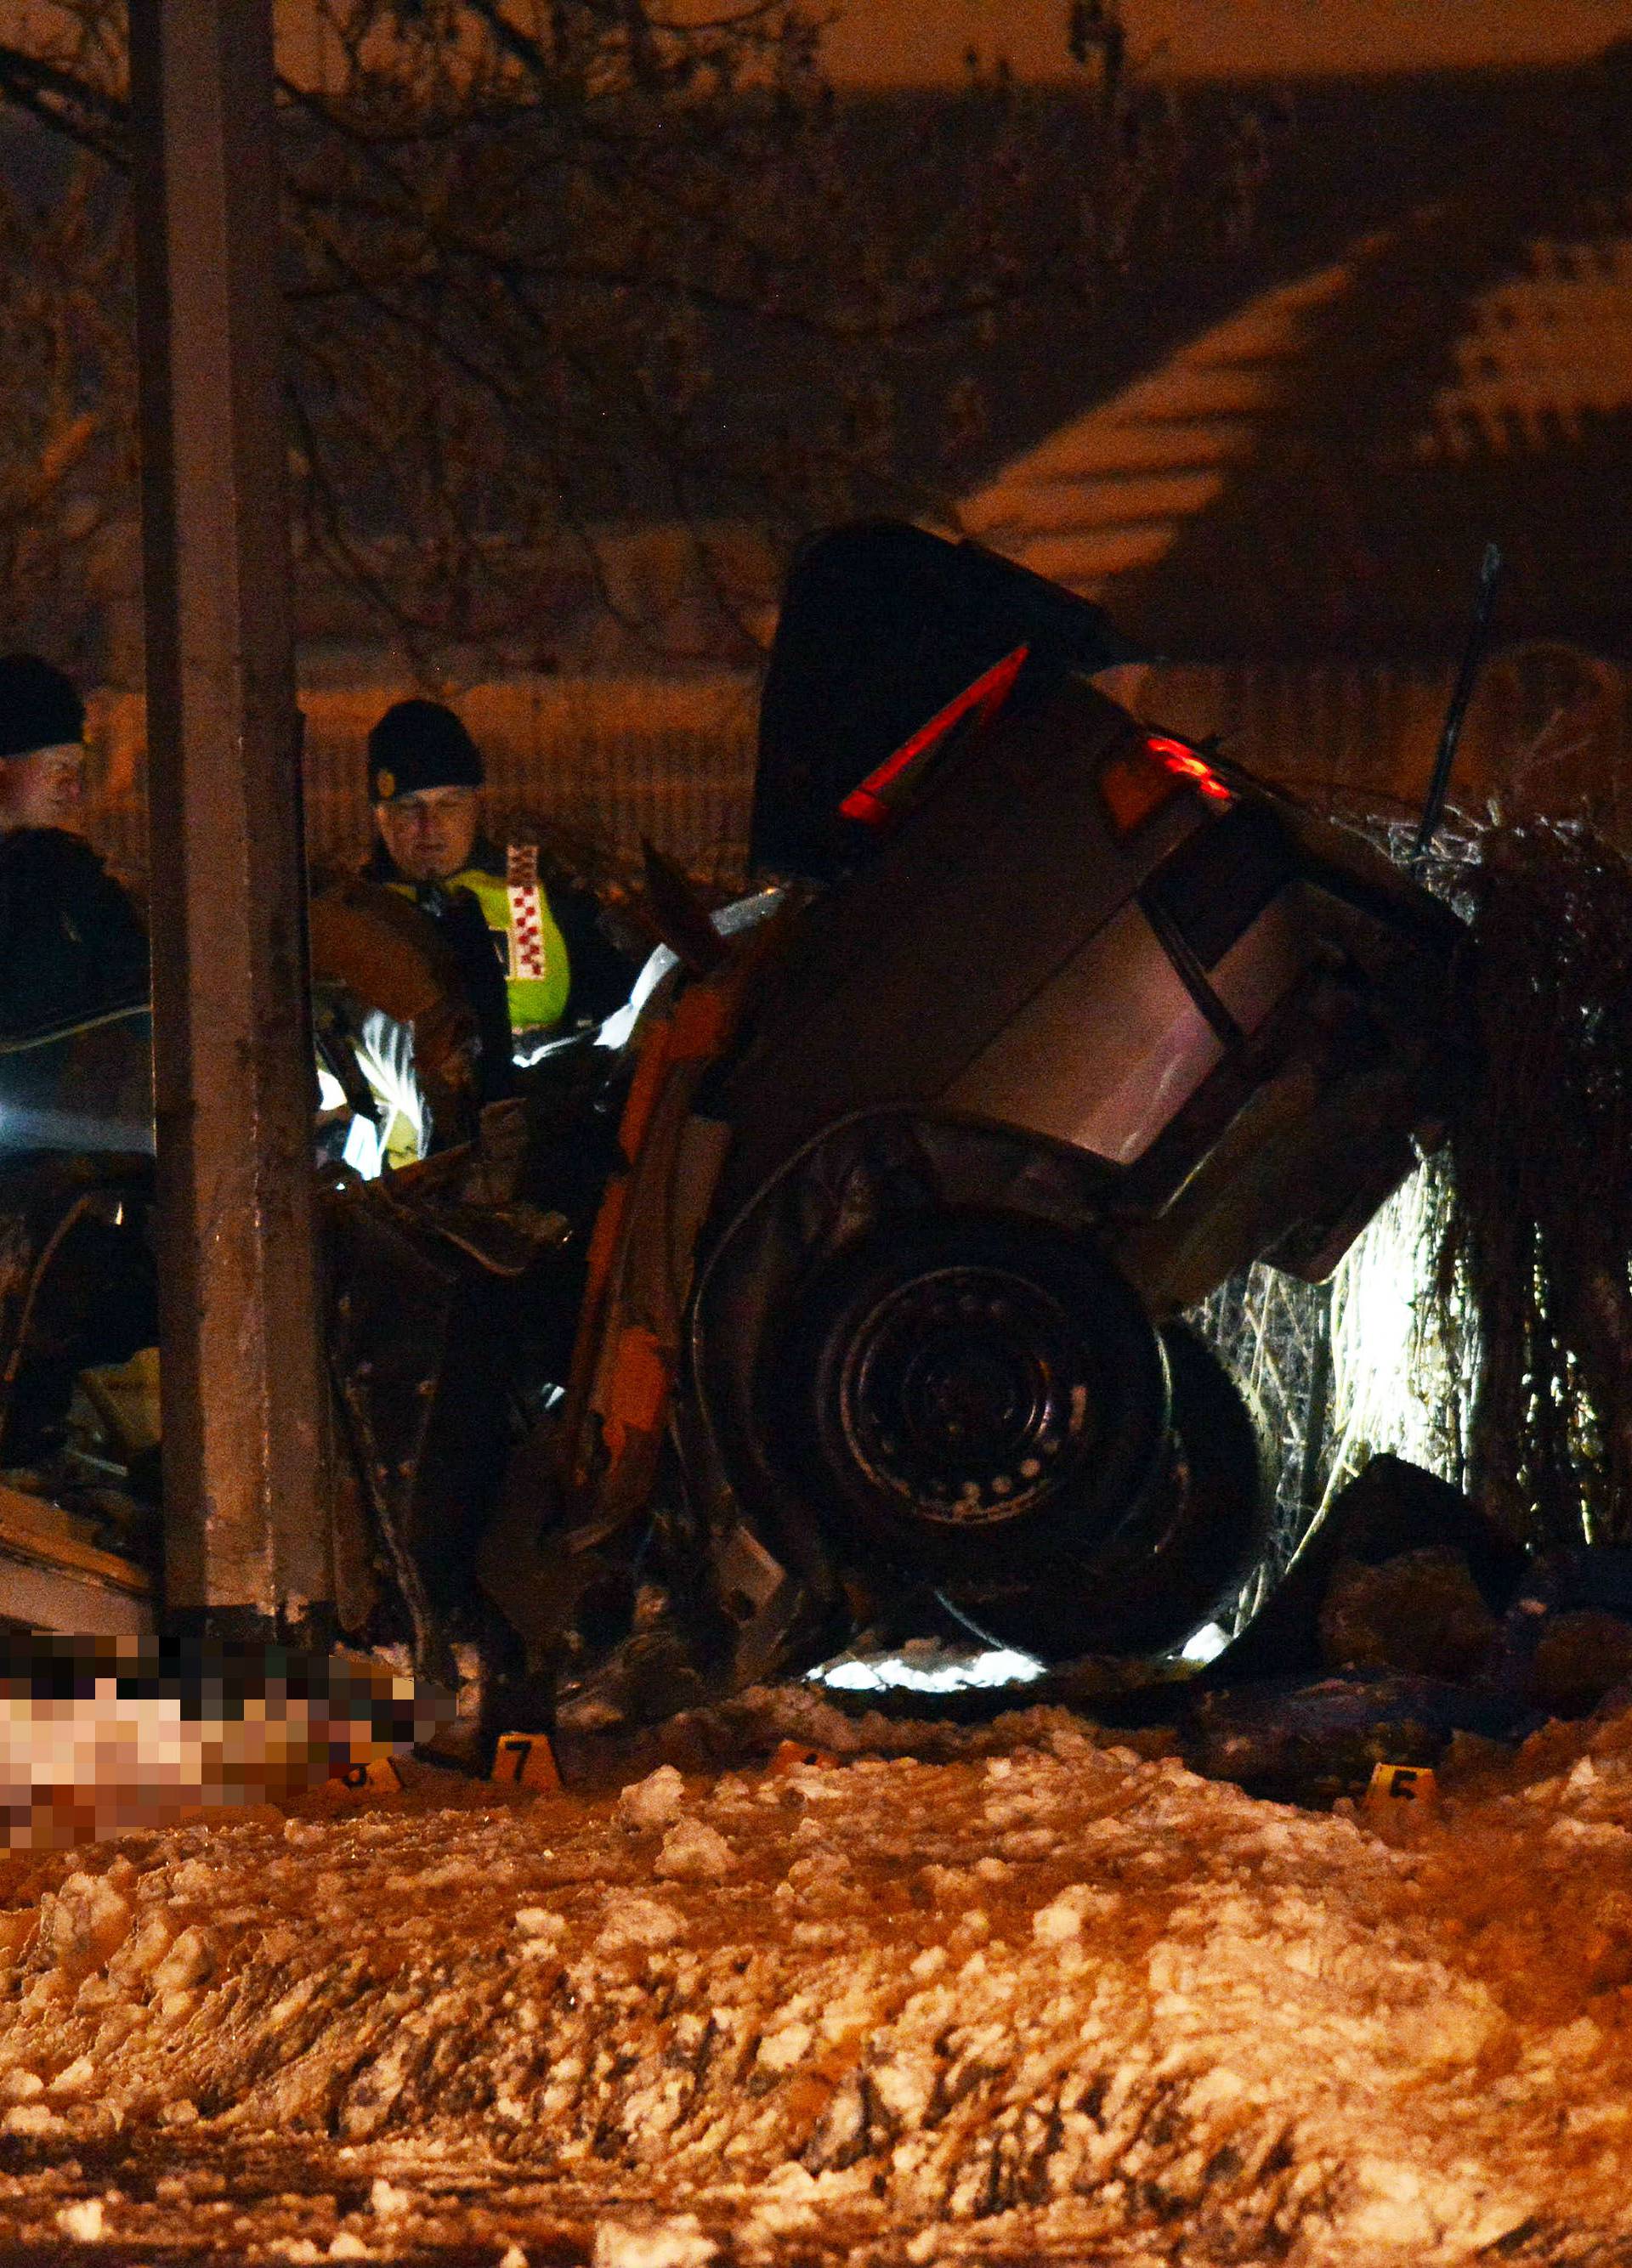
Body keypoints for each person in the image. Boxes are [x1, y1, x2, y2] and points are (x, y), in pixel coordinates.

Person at [361, 698, 636, 1090]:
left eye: (448, 804)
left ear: (476, 803)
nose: (429, 825)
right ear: (379, 814)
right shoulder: (352, 914)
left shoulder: (536, 889)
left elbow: (620, 1006)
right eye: (408, 807)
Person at [0, 655, 148, 1039]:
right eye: (58, 768)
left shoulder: (68, 874)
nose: (73, 788)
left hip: (55, 1099)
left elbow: (137, 988)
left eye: (77, 770)